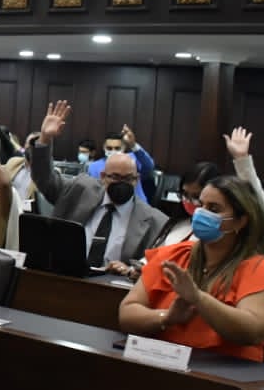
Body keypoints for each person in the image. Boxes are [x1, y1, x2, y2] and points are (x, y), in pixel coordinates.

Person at [118, 176, 264, 362]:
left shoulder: (262, 271)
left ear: (240, 221)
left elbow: (254, 332)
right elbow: (127, 314)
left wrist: (198, 299)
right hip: (161, 363)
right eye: (201, 205)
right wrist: (166, 317)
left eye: (214, 209)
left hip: (223, 372)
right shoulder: (173, 256)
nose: (201, 213)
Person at [106, 127, 264, 281]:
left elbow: (256, 208)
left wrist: (242, 160)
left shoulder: (222, 231)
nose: (190, 202)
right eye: (185, 195)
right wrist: (134, 269)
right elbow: (158, 257)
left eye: (197, 197)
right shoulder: (177, 225)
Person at [30, 101, 165, 266]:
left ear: (136, 179)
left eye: (128, 179)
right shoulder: (81, 190)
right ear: (103, 177)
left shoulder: (154, 220)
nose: (121, 183)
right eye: (115, 177)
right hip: (66, 274)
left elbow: (155, 265)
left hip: (114, 281)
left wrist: (132, 269)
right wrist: (45, 139)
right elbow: (45, 179)